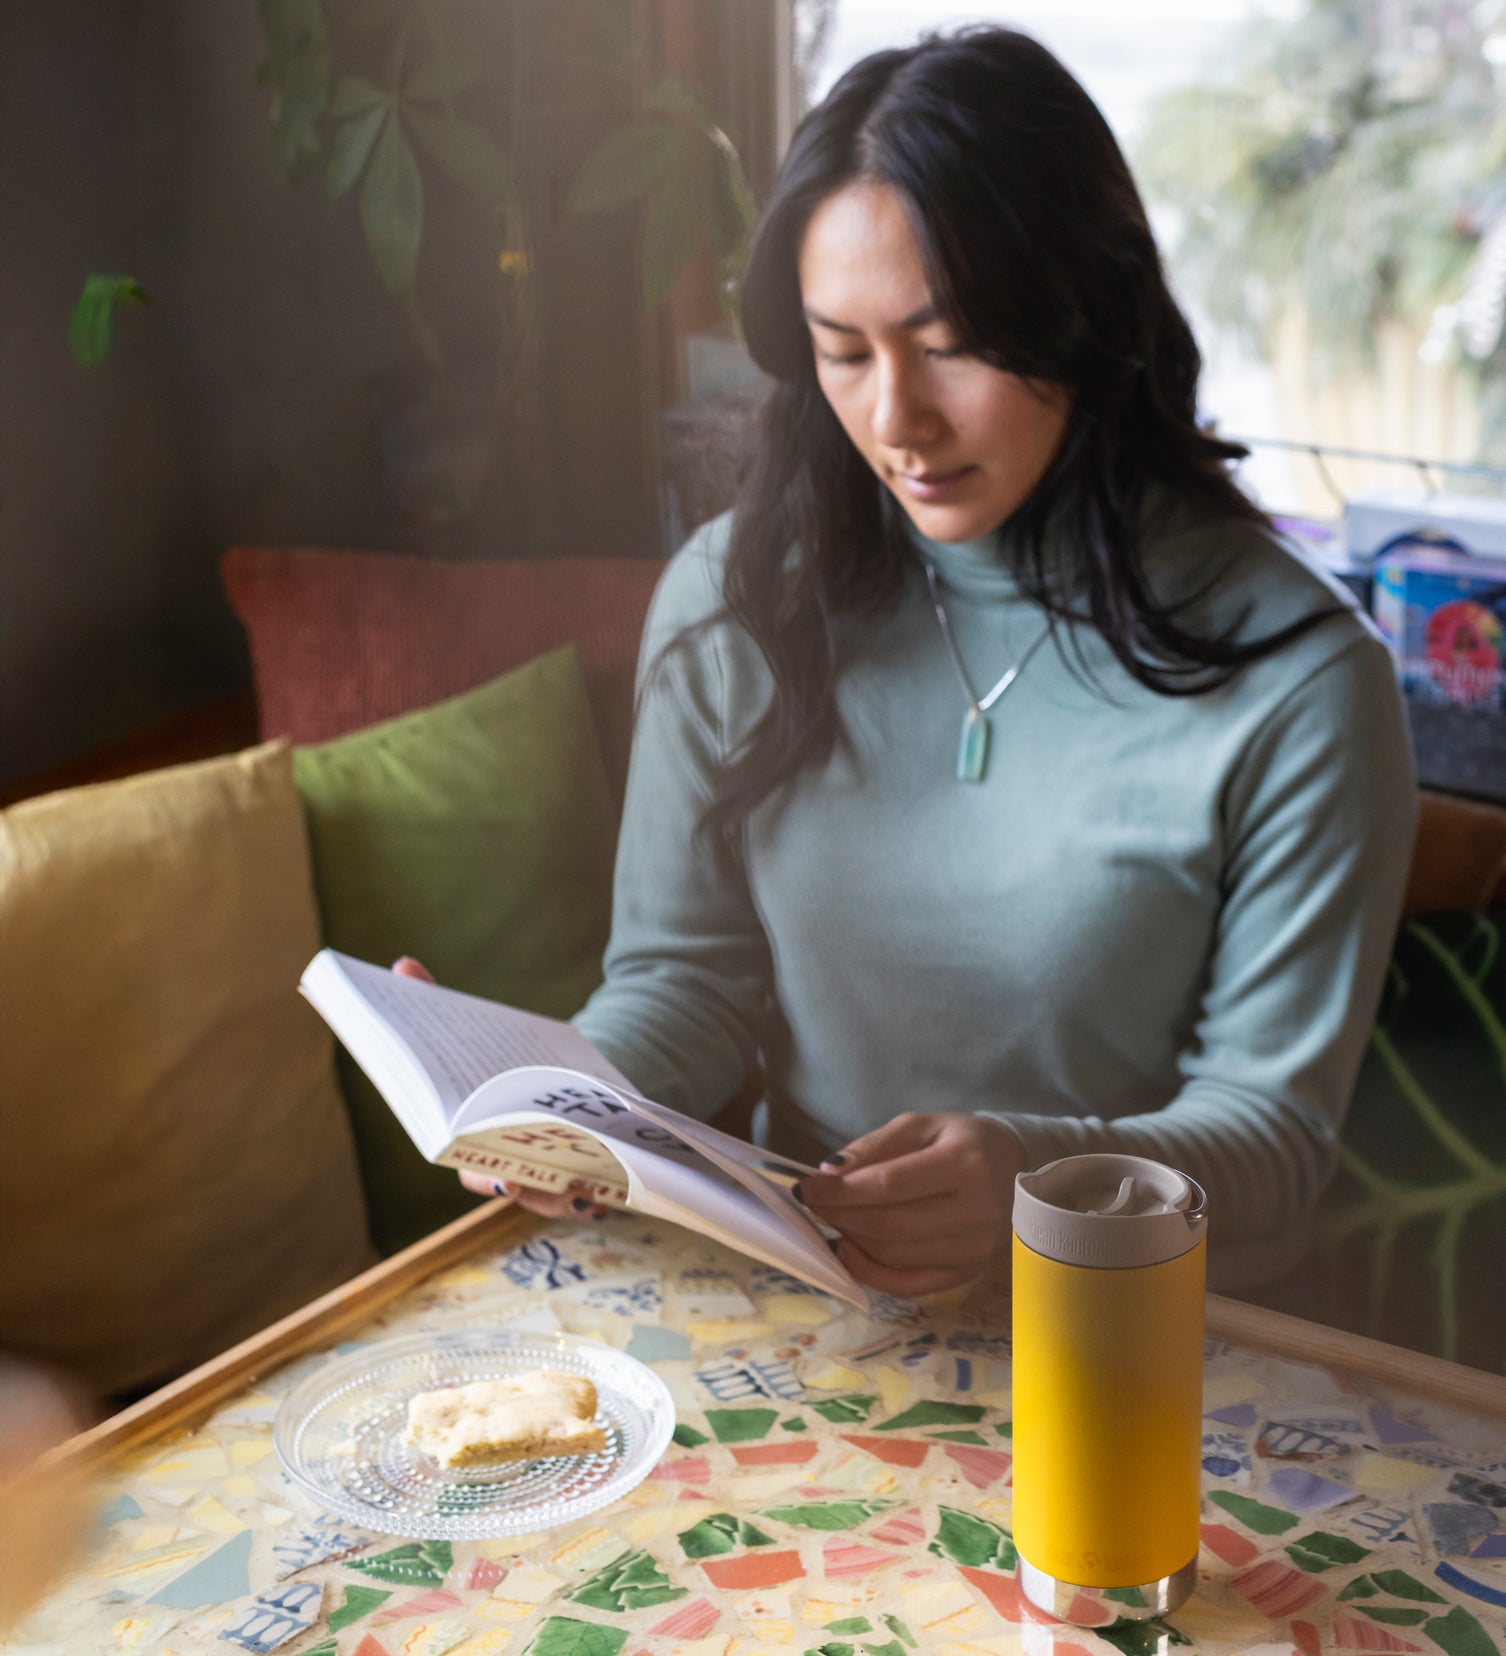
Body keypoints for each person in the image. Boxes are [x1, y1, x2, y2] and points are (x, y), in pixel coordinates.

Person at [415, 25, 1415, 1299]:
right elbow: (685, 984)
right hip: (800, 1300)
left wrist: (1040, 1183)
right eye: (844, 352)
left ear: (1087, 313)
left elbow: (1272, 1140)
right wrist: (555, 1107)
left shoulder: (1302, 680)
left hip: (1131, 1336)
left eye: (949, 346)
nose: (897, 420)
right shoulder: (734, 604)